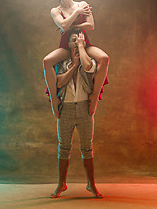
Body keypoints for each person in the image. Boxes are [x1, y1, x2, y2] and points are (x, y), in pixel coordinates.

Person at [43, 0, 109, 118]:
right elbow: (63, 25)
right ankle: (54, 99)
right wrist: (77, 13)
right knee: (47, 61)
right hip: (66, 46)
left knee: (104, 58)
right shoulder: (55, 10)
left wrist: (69, 25)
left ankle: (94, 96)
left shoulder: (82, 4)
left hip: (84, 43)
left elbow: (90, 25)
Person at [51, 29, 103, 198]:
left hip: (84, 109)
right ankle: (61, 185)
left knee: (87, 148)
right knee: (63, 148)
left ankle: (91, 185)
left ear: (83, 42)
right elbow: (59, 82)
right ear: (67, 44)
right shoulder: (61, 63)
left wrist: (82, 49)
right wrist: (73, 65)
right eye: (72, 40)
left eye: (78, 40)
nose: (75, 43)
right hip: (66, 108)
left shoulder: (88, 59)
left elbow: (89, 67)